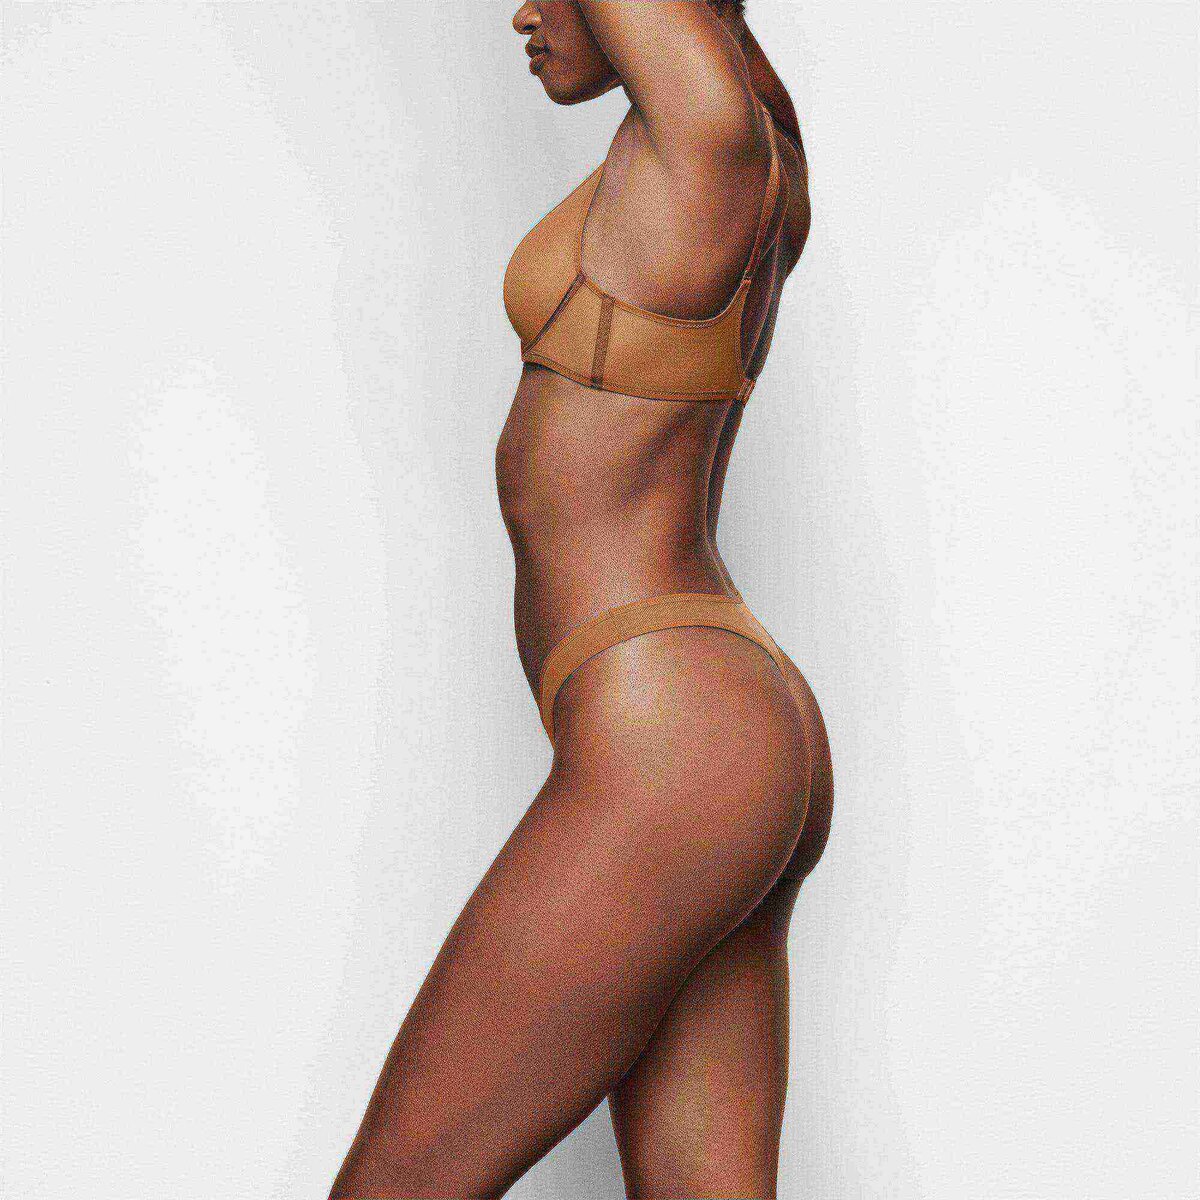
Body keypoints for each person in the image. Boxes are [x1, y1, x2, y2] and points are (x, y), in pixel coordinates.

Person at [329, 3, 832, 1196]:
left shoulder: (711, 134)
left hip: (674, 742)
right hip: (721, 726)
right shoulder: (749, 136)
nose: (523, 12)